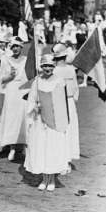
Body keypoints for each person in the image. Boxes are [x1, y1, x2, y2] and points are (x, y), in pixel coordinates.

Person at [24, 54, 70, 191]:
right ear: (41, 67)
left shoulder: (60, 81)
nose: (47, 68)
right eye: (45, 66)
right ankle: (44, 179)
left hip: (53, 122)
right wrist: (34, 107)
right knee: (41, 148)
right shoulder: (37, 81)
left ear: (54, 66)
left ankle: (52, 180)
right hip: (39, 121)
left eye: (50, 65)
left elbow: (61, 103)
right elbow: (31, 100)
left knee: (52, 149)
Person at [0, 37, 28, 161]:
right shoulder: (5, 60)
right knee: (11, 118)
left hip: (24, 90)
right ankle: (12, 148)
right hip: (11, 91)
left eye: (18, 46)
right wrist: (9, 77)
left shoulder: (26, 60)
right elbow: (1, 79)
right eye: (13, 46)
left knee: (23, 118)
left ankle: (25, 146)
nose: (15, 49)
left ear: (21, 47)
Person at [53, 43, 80, 170]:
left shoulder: (70, 70)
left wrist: (73, 99)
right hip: (59, 102)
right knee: (60, 131)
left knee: (69, 130)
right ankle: (60, 158)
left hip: (68, 102)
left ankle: (67, 159)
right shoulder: (53, 70)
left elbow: (75, 87)